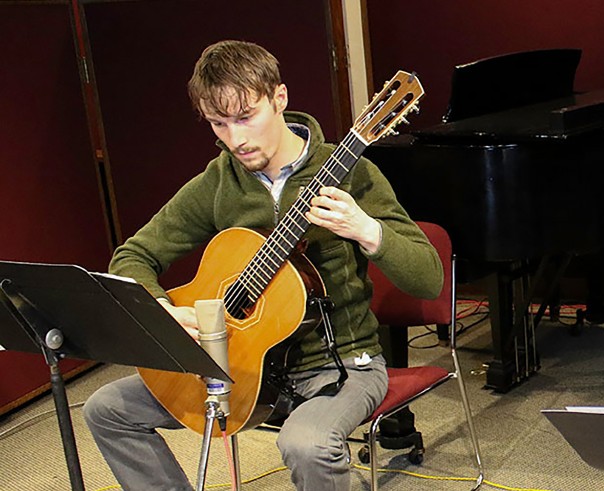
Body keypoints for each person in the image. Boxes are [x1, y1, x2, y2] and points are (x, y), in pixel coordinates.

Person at [83, 40, 442, 490]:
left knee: (307, 444)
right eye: (218, 123)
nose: (235, 140)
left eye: (245, 117)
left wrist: (367, 230)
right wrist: (163, 310)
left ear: (279, 98)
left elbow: (429, 280)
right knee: (107, 410)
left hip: (341, 365)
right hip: (237, 363)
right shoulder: (218, 182)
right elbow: (132, 255)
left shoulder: (352, 174)